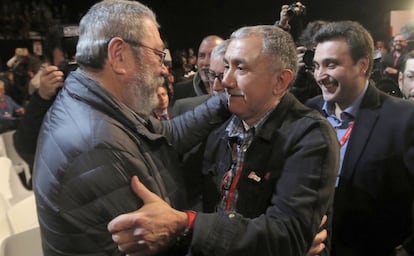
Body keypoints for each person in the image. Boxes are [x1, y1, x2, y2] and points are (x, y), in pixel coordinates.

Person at [108, 25, 339, 256]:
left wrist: (188, 224)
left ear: (280, 81)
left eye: (241, 68)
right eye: (227, 66)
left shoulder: (311, 136)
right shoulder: (221, 125)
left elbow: (287, 236)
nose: (226, 81)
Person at [32, 1, 231, 255]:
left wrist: (222, 101)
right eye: (158, 54)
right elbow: (161, 243)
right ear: (119, 55)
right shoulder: (98, 144)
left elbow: (168, 135)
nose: (163, 68)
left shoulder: (99, 104)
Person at [306, 20, 414, 256]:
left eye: (331, 65)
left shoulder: (404, 119)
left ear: (362, 65)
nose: (320, 75)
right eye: (316, 66)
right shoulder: (308, 112)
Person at [173, 35, 224, 100]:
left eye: (212, 55)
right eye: (202, 56)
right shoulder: (180, 91)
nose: (206, 62)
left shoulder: (236, 89)